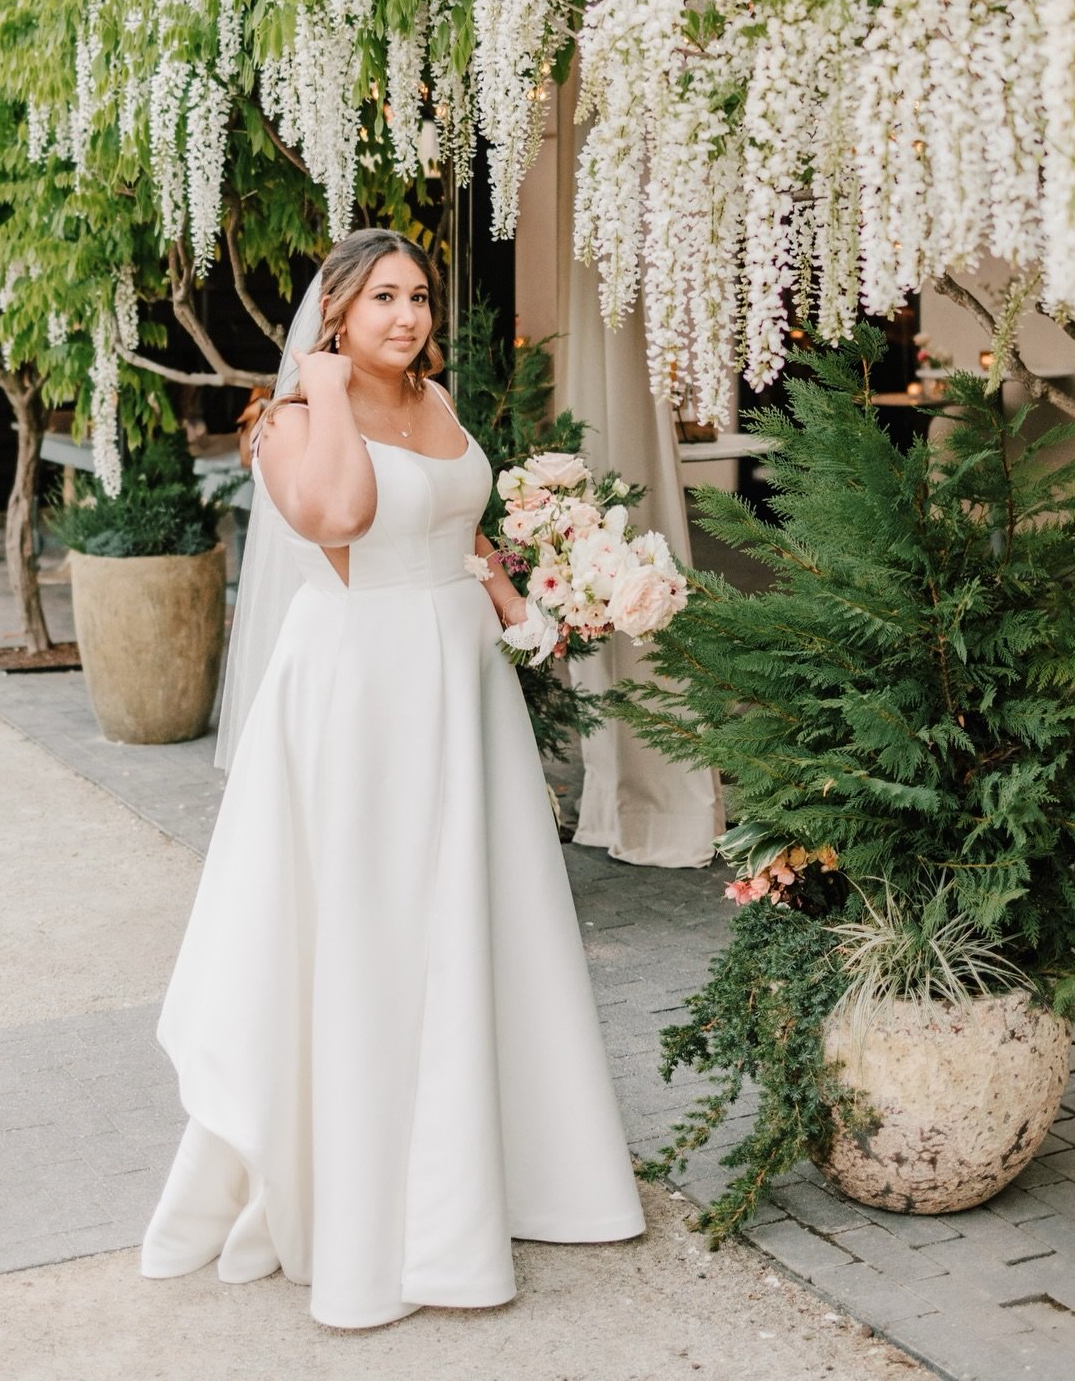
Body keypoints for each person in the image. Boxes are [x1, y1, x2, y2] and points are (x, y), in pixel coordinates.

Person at [140, 227, 645, 1329]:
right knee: (371, 932)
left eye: (417, 296)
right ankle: (369, 1209)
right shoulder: (288, 425)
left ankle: (501, 1177)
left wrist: (525, 601)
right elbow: (344, 519)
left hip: (460, 686)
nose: (408, 317)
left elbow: (461, 531)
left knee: (478, 920)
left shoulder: (441, 398)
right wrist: (319, 389)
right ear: (336, 315)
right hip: (359, 688)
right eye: (380, 300)